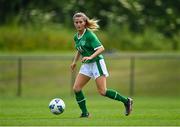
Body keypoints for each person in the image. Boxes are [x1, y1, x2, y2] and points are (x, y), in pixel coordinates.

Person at [70, 12, 133, 118]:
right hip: (87, 65)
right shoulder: (76, 37)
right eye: (76, 22)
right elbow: (80, 50)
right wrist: (74, 62)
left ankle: (126, 101)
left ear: (85, 23)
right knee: (76, 88)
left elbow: (101, 48)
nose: (78, 24)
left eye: (80, 22)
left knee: (102, 91)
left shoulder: (89, 35)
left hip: (97, 63)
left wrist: (90, 57)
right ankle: (85, 114)